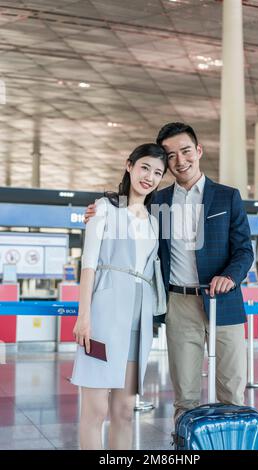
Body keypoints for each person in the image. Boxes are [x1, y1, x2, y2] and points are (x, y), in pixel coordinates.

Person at [84, 122, 254, 424]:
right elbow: (127, 213)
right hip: (179, 304)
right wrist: (98, 212)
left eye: (186, 151)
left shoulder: (228, 197)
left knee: (232, 392)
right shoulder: (157, 201)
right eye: (170, 156)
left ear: (198, 151)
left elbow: (244, 249)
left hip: (223, 302)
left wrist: (230, 275)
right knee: (184, 396)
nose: (180, 160)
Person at [71, 143, 168, 450]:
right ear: (129, 166)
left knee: (124, 411)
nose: (149, 177)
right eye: (144, 168)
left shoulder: (154, 222)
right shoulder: (104, 209)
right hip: (103, 316)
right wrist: (83, 317)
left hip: (138, 321)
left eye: (157, 172)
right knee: (96, 409)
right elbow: (89, 265)